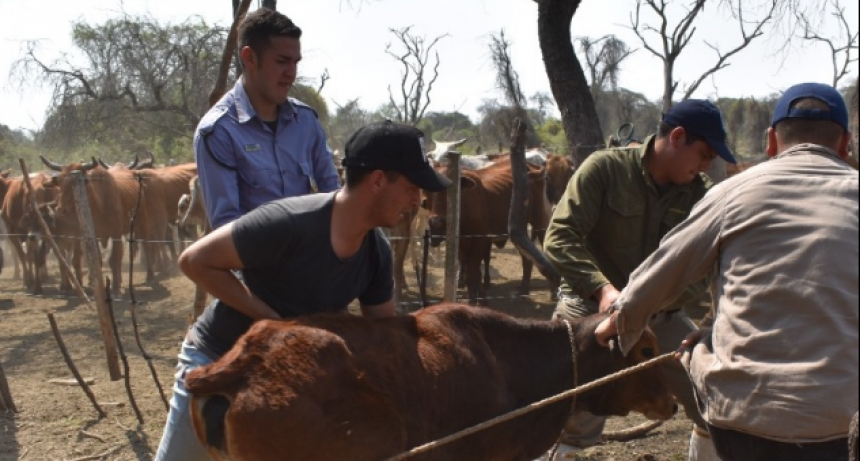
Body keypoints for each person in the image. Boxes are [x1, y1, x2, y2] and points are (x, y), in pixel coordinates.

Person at [154, 120, 451, 460]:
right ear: (378, 180)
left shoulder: (376, 253)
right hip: (217, 363)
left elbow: (384, 334)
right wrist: (278, 324)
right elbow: (195, 260)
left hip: (288, 378)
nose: (418, 200)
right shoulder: (288, 222)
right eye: (413, 187)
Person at [596, 82, 858, 460]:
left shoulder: (732, 192)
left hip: (743, 421)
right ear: (845, 143)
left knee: (702, 346)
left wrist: (620, 322)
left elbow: (659, 276)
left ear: (770, 142)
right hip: (844, 426)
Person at [542, 99, 737, 460]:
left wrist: (648, 303)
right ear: (678, 137)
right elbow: (560, 236)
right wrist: (603, 290)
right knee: (571, 418)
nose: (706, 165)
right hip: (588, 309)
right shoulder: (605, 169)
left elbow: (706, 266)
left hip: (661, 317)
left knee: (713, 403)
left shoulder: (701, 195)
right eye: (705, 154)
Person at [194, 8, 340, 230]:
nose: (291, 72)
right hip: (253, 263)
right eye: (282, 61)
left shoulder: (306, 122)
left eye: (295, 62)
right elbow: (227, 230)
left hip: (309, 260)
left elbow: (334, 199)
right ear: (250, 58)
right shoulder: (218, 132)